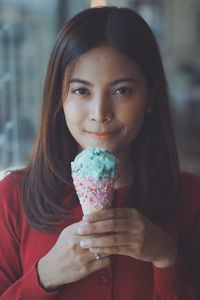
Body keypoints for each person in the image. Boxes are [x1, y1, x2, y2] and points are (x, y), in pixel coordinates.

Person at [0, 6, 199, 300]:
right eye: (81, 91)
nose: (100, 113)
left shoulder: (191, 198)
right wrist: (44, 277)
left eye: (121, 91)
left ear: (150, 97)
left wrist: (167, 259)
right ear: (60, 98)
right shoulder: (13, 197)